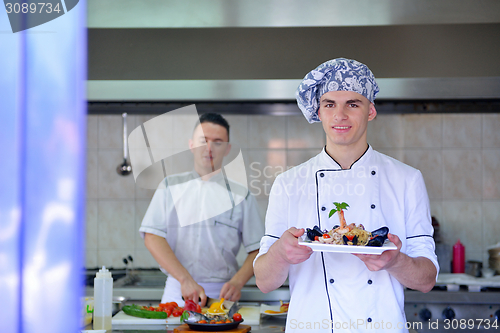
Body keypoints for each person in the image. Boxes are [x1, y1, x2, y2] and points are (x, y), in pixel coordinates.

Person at [254, 58, 439, 333]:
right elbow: (264, 282)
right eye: (330, 104)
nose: (340, 115)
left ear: (371, 111)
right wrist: (281, 253)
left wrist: (395, 260)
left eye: (353, 104)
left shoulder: (407, 180)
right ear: (319, 111)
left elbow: (426, 280)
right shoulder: (288, 183)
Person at [140, 113, 264, 307]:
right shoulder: (169, 186)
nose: (209, 148)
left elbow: (258, 249)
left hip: (223, 295)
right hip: (178, 291)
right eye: (203, 141)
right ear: (191, 144)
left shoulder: (242, 195)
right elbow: (152, 236)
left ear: (227, 148)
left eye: (218, 142)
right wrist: (184, 279)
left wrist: (237, 282)